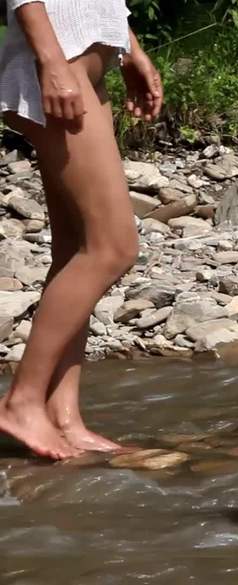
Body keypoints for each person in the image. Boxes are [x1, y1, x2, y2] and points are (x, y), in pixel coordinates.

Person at [0, 0, 162, 460]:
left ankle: (63, 415)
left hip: (82, 64)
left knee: (77, 251)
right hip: (57, 62)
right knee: (113, 248)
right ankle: (21, 401)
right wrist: (51, 62)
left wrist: (128, 48)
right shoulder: (54, 60)